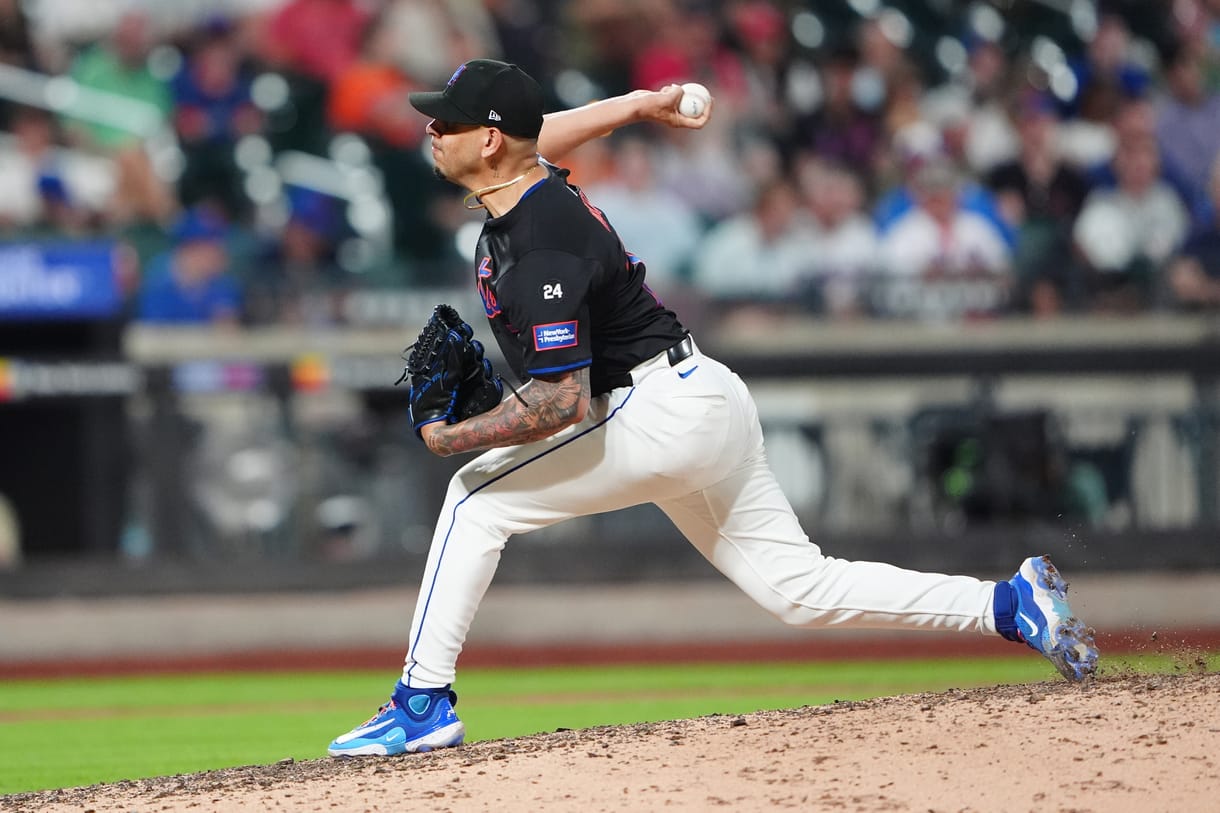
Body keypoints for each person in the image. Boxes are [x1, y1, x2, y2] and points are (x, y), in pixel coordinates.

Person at [326, 59, 1099, 758]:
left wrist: (450, 436)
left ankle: (422, 701)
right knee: (800, 589)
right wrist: (635, 103)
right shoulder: (528, 177)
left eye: (447, 122)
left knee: (472, 498)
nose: (431, 130)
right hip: (700, 395)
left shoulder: (540, 238)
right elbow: (538, 134)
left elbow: (561, 402)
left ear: (489, 141)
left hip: (653, 413)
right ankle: (1009, 602)